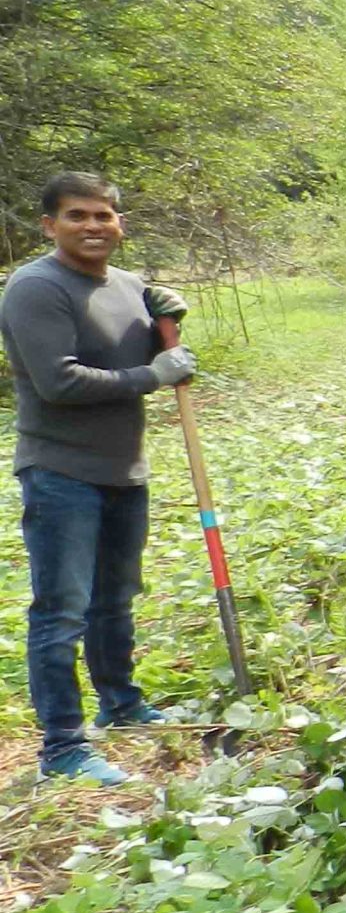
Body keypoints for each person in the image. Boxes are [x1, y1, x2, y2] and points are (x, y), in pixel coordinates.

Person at [1, 173, 198, 786]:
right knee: (62, 612)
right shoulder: (35, 287)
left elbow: (150, 354)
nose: (93, 226)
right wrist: (155, 373)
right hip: (61, 471)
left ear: (120, 223)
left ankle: (122, 705)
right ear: (49, 225)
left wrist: (167, 322)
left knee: (115, 600)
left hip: (123, 468)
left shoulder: (130, 286)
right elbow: (59, 381)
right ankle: (62, 748)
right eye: (77, 216)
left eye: (104, 216)